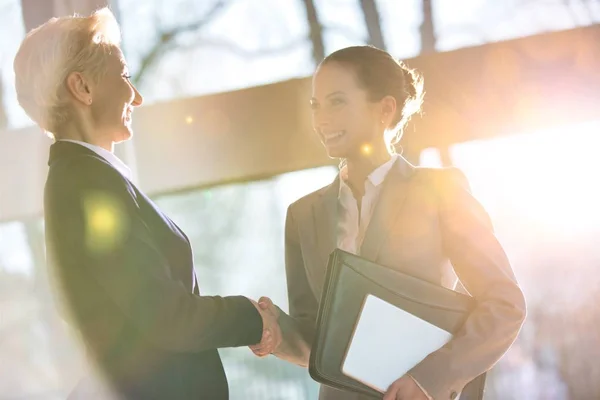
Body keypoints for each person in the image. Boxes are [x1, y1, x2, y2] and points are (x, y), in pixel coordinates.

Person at [14, 8, 280, 400]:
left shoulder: (86, 177)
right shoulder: (87, 183)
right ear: (82, 88)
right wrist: (250, 318)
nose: (136, 96)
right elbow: (164, 315)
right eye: (123, 76)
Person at [254, 45, 527, 400]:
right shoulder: (302, 215)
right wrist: (275, 332)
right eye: (315, 105)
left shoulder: (440, 191)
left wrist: (430, 378)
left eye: (337, 102)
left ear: (384, 109)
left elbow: (505, 304)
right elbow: (318, 342)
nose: (321, 119)